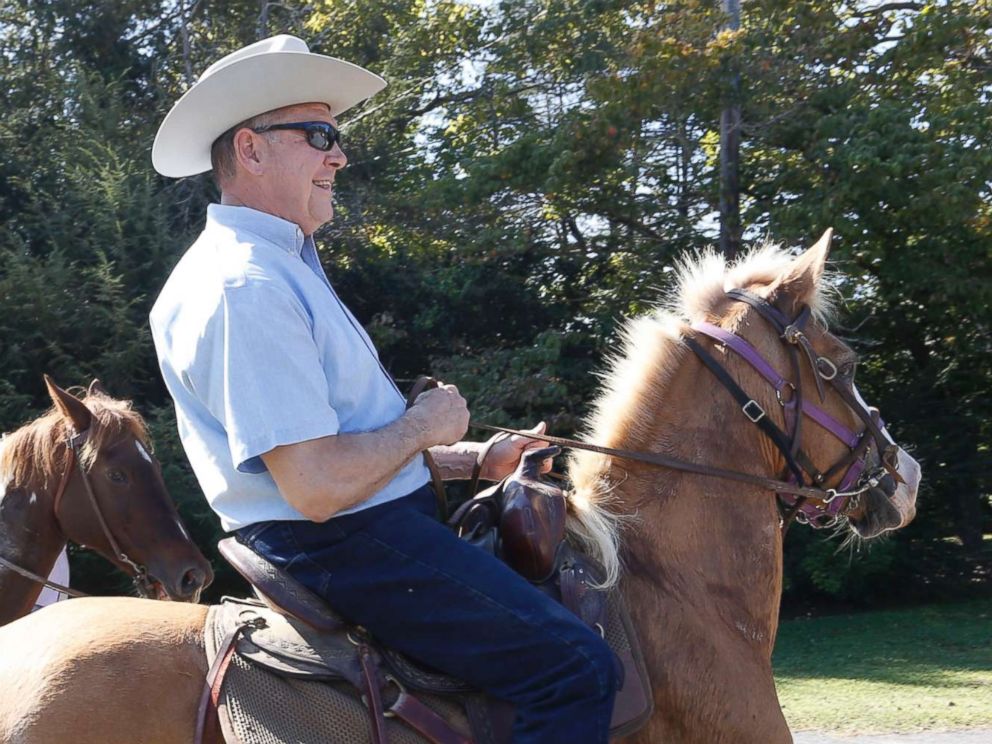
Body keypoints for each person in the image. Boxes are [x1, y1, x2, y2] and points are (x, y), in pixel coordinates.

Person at [149, 35, 617, 742]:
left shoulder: (276, 266)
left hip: (352, 529)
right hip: (340, 541)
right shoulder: (245, 285)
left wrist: (471, 460)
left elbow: (336, 445)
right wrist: (427, 427)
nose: (339, 155)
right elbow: (312, 485)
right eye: (319, 135)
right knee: (577, 669)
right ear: (250, 149)